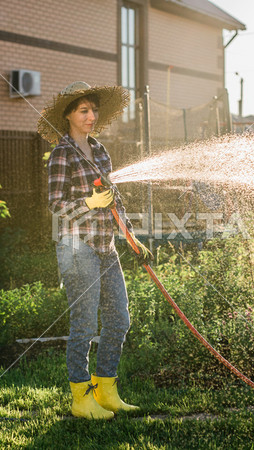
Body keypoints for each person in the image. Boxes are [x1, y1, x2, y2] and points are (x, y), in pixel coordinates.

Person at [38, 81, 153, 420]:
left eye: (94, 110)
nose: (91, 116)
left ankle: (107, 391)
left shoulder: (101, 150)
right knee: (84, 325)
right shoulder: (62, 153)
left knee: (119, 319)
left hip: (107, 247)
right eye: (83, 110)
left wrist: (131, 236)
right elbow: (56, 205)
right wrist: (87, 202)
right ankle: (81, 397)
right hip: (77, 248)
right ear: (69, 115)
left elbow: (115, 200)